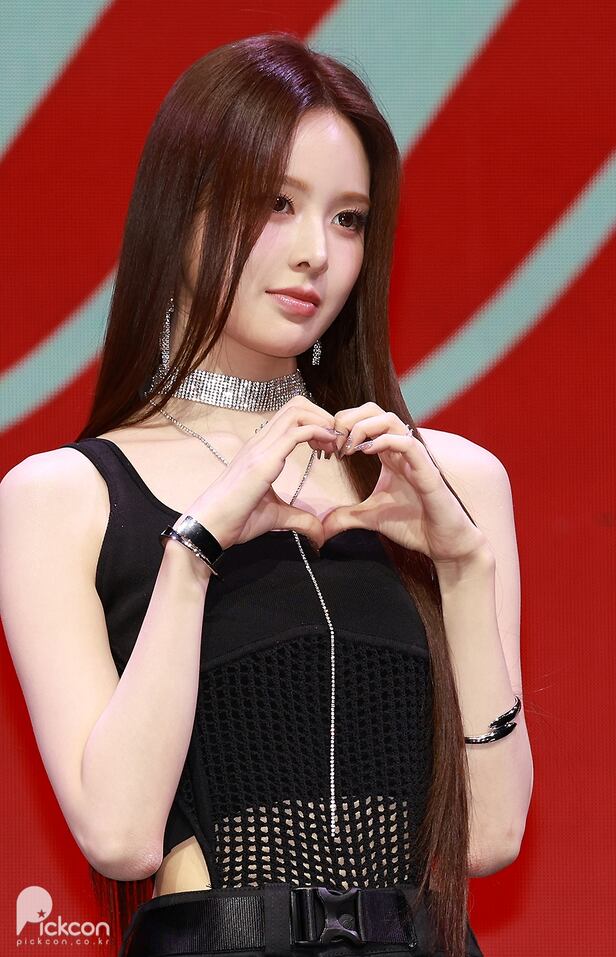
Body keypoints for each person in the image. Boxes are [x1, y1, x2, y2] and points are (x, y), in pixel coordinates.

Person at [0, 32, 532, 957]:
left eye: (348, 218)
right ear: (181, 209)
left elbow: (491, 836)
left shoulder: (453, 482)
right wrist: (194, 552)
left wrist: (465, 565)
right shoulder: (63, 497)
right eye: (275, 204)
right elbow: (121, 836)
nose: (315, 252)